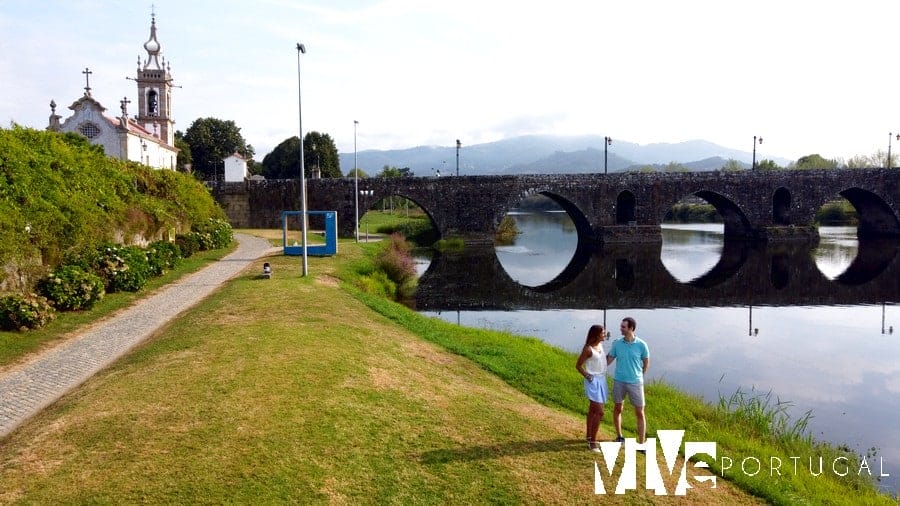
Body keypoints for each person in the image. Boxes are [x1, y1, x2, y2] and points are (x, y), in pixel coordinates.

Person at [606, 317, 650, 447]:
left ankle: (641, 444)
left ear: (631, 328)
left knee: (640, 412)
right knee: (618, 408)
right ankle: (619, 437)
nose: (620, 328)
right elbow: (608, 360)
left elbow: (646, 363)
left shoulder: (642, 345)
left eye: (623, 327)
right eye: (621, 326)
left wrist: (640, 376)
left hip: (636, 383)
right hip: (619, 381)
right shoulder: (617, 344)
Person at [575, 324, 609, 452]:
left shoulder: (600, 345)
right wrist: (587, 376)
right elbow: (578, 365)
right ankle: (593, 442)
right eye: (603, 333)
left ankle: (589, 436)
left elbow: (601, 361)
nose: (605, 335)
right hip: (593, 382)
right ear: (596, 335)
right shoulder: (588, 349)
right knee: (599, 412)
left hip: (602, 380)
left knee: (592, 411)